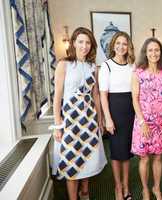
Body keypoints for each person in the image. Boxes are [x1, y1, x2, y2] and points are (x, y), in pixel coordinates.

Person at [51, 27, 107, 200]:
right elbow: (57, 97)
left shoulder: (92, 67)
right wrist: (58, 125)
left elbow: (95, 95)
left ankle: (85, 192)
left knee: (88, 158)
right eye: (81, 42)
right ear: (74, 43)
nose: (84, 46)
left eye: (88, 42)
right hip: (70, 121)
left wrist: (100, 119)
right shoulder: (64, 64)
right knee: (71, 161)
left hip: (89, 119)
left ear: (92, 45)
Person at [131, 37, 162, 200]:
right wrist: (142, 122)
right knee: (144, 158)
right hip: (143, 123)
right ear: (145, 53)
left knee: (158, 157)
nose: (154, 53)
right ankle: (145, 190)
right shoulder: (138, 72)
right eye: (150, 50)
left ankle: (156, 188)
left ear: (160, 52)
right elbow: (134, 98)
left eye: (157, 50)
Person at [99, 31, 135, 200]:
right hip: (114, 111)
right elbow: (103, 95)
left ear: (129, 47)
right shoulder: (106, 66)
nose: (121, 46)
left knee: (127, 152)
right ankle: (117, 187)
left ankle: (126, 185)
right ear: (113, 45)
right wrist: (107, 118)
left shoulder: (132, 66)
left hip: (130, 112)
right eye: (118, 43)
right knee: (115, 152)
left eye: (125, 43)